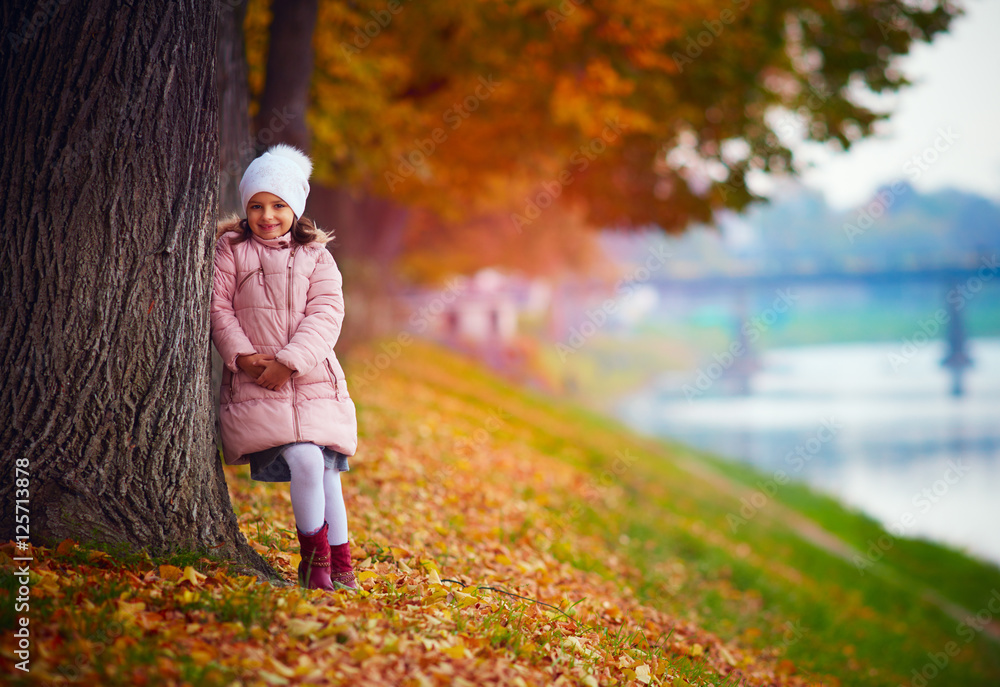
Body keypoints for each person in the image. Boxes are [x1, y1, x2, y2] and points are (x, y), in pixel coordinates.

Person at [210, 143, 359, 591]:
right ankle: (314, 565)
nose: (267, 215)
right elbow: (218, 307)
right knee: (308, 462)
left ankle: (342, 563)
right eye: (256, 205)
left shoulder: (318, 257)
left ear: (296, 207)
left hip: (314, 383)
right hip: (258, 386)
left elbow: (326, 315)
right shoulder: (231, 249)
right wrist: (243, 357)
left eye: (278, 204)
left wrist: (290, 362)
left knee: (328, 471)